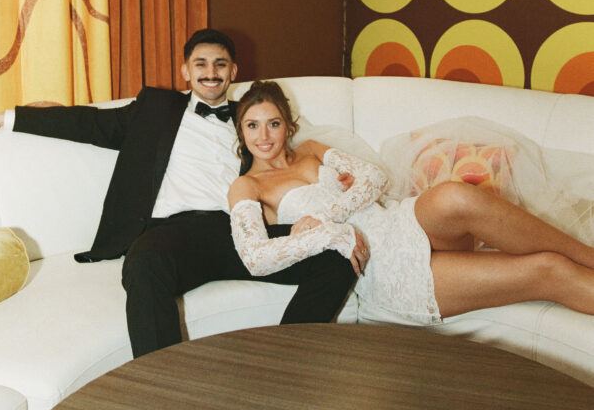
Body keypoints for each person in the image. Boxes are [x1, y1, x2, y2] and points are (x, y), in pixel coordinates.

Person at [0, 30, 360, 356]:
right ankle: (160, 385)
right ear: (185, 71)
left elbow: (292, 166)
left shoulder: (253, 119)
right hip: (175, 233)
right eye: (200, 63)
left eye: (220, 63)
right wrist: (10, 118)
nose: (210, 72)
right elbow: (89, 124)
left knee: (337, 258)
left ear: (233, 70)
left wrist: (316, 217)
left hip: (241, 231)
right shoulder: (155, 110)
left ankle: (288, 360)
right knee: (144, 264)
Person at [228, 80, 594, 325]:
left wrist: (325, 215)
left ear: (287, 126)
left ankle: (590, 255)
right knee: (549, 269)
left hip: (398, 222)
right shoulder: (248, 186)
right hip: (383, 267)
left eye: (273, 123)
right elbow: (255, 258)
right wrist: (324, 232)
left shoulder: (310, 151)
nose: (264, 136)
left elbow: (374, 177)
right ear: (241, 133)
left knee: (456, 194)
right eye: (253, 125)